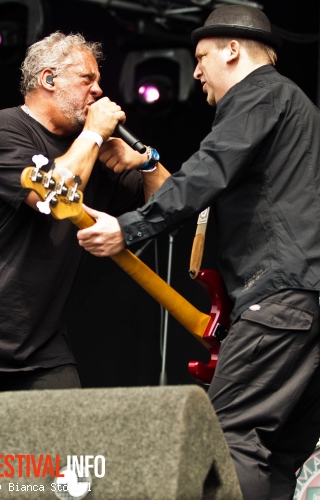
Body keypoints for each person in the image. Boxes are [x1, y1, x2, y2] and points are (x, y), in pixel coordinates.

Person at [77, 5, 320, 499]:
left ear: (232, 50)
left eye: (201, 56)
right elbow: (211, 196)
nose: (194, 71)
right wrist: (147, 166)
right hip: (305, 306)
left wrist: (129, 228)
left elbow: (208, 171)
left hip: (275, 300)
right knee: (279, 458)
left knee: (227, 440)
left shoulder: (259, 92)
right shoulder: (296, 110)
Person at [0, 31, 169, 499]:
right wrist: (95, 134)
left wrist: (145, 161)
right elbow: (52, 196)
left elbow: (168, 210)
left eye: (99, 83)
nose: (99, 91)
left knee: (70, 479)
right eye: (87, 80)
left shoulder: (90, 151)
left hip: (38, 344)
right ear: (49, 79)